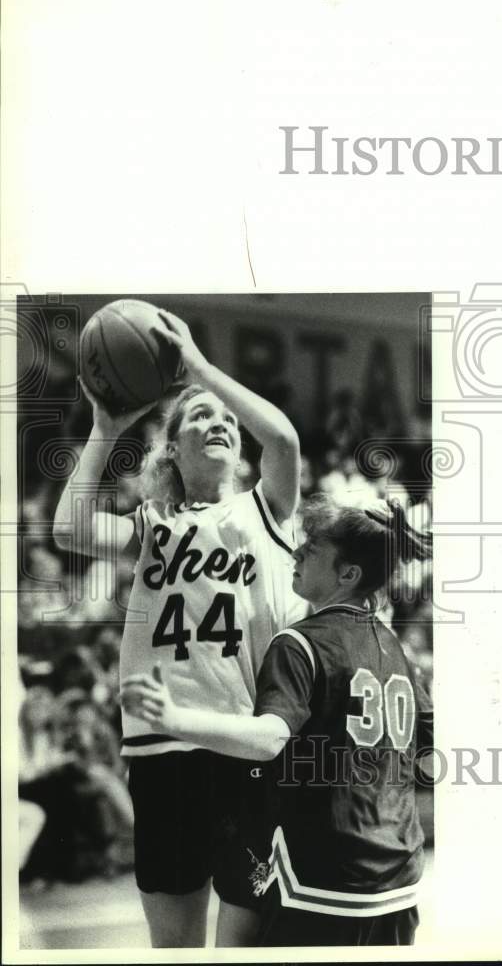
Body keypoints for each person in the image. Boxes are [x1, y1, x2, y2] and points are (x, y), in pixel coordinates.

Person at [53, 310, 305, 947]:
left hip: (238, 736)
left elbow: (284, 443)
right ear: (173, 447)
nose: (218, 421)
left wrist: (196, 368)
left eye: (226, 418)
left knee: (244, 941)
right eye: (199, 416)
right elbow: (69, 530)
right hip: (159, 744)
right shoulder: (152, 520)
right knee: (174, 945)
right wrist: (105, 429)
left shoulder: (263, 510)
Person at [122, 494, 433, 947]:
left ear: (348, 574)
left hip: (324, 878)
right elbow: (430, 748)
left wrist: (175, 718)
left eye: (313, 550)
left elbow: (269, 740)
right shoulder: (396, 648)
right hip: (399, 879)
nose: (297, 551)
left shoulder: (298, 643)